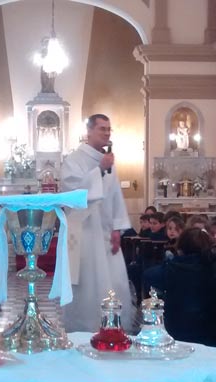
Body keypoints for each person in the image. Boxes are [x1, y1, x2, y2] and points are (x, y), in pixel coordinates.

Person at [60, 113, 135, 333]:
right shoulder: (74, 160)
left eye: (109, 129)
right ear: (89, 131)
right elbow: (72, 192)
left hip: (105, 231)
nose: (107, 133)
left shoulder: (108, 161)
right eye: (102, 128)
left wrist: (117, 228)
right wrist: (99, 170)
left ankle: (114, 326)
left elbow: (115, 195)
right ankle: (84, 327)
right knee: (88, 282)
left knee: (114, 279)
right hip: (83, 232)